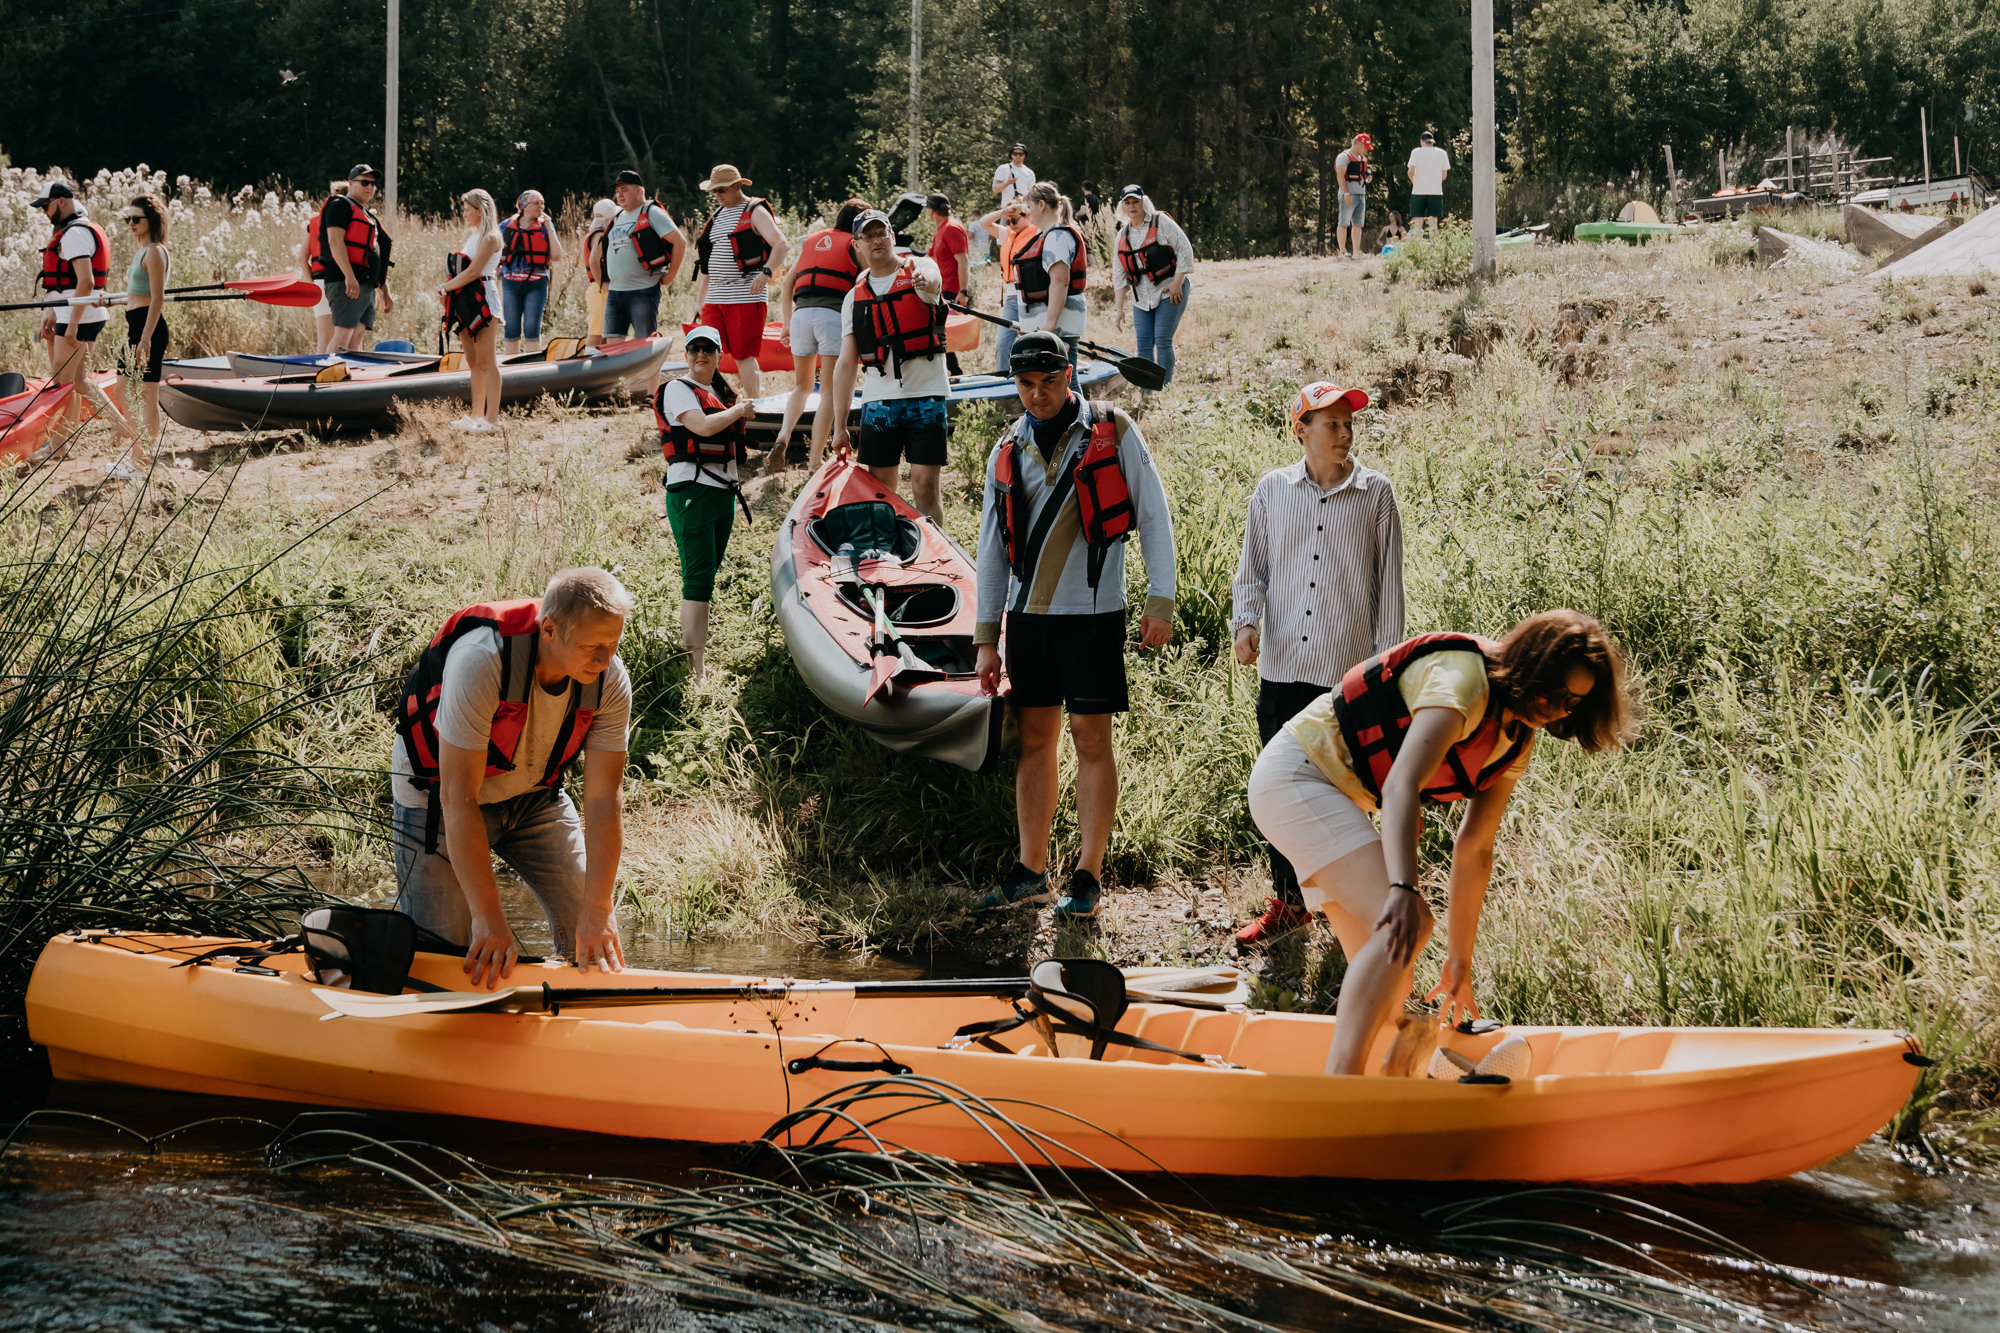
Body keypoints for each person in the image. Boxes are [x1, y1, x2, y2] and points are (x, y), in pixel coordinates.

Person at [1248, 610, 1637, 1074]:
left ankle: (1397, 1083)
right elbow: (1400, 786)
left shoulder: (1515, 740)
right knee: (1403, 926)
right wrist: (1404, 890)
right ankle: (1342, 1087)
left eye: (1572, 703)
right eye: (1554, 692)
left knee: (1394, 978)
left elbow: (1476, 848)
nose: (1557, 709)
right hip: (1298, 777)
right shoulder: (1463, 681)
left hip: (1335, 797)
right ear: (1531, 663)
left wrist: (1459, 960)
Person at [972, 331, 1177, 920]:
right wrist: (987, 637)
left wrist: (1159, 599)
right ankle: (1030, 871)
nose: (1038, 396)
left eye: (1049, 383)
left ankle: (1087, 874)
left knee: (1092, 740)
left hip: (1094, 617)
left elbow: (1154, 514)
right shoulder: (1006, 449)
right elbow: (990, 549)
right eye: (1026, 385)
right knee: (1035, 742)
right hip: (1028, 619)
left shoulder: (1112, 430)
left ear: (1071, 376)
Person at [392, 567, 636, 989]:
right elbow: (457, 798)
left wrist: (598, 907)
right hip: (440, 800)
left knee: (596, 932)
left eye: (612, 645)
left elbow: (602, 799)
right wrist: (488, 917)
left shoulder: (609, 679)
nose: (604, 659)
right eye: (592, 646)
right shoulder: (481, 661)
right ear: (549, 631)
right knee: (446, 961)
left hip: (533, 797)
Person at [1229, 382, 1404, 947]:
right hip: (1282, 663)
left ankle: (1347, 904)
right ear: (1300, 429)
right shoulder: (1272, 490)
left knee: (1347, 792)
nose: (1344, 434)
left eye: (1349, 423)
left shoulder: (1376, 494)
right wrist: (1246, 622)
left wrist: (1386, 671)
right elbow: (1252, 563)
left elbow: (1389, 590)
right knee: (1280, 789)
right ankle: (1289, 903)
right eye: (1331, 423)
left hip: (1346, 676)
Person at [827, 210, 951, 525]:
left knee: (924, 485)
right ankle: (886, 553)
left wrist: (927, 282)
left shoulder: (920, 268)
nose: (876, 241)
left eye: (881, 233)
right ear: (856, 245)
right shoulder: (854, 297)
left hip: (926, 396)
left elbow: (933, 282)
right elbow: (845, 364)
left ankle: (935, 555)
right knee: (881, 491)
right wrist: (839, 426)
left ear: (892, 236)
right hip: (879, 402)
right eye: (867, 236)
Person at [656, 325, 756, 679]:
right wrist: (739, 411)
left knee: (706, 579)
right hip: (693, 492)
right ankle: (695, 670)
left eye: (708, 349)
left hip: (722, 493)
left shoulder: (722, 395)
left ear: (718, 355)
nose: (701, 354)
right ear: (686, 354)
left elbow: (731, 430)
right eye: (694, 348)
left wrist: (741, 410)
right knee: (697, 580)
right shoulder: (677, 390)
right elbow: (701, 428)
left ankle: (695, 658)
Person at [31, 180, 136, 456]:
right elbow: (70, 284)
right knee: (78, 380)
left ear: (62, 202)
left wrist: (72, 322)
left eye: (46, 206)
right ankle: (122, 426)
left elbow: (86, 282)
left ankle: (57, 446)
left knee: (60, 381)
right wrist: (55, 309)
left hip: (79, 316)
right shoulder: (78, 229)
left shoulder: (75, 234)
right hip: (83, 313)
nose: (44, 212)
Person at [776, 198, 867, 471]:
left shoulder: (812, 240)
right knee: (828, 390)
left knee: (802, 386)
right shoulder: (855, 243)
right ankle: (815, 461)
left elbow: (786, 284)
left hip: (802, 315)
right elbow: (868, 278)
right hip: (833, 317)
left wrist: (786, 323)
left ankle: (783, 436)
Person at [692, 164, 789, 399]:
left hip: (745, 296)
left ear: (738, 186)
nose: (718, 196)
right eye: (714, 192)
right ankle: (714, 403)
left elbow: (781, 244)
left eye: (722, 190)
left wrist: (766, 272)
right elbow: (707, 265)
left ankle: (755, 406)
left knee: (743, 355)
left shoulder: (754, 210)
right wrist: (700, 300)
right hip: (715, 297)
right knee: (705, 351)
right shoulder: (716, 216)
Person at [604, 169, 685, 396]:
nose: (619, 195)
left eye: (625, 190)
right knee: (613, 347)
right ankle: (618, 393)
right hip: (615, 292)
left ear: (639, 191)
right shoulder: (618, 216)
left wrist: (671, 275)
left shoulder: (652, 212)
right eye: (617, 191)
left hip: (642, 290)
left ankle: (652, 394)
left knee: (646, 345)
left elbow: (680, 242)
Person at [111, 194, 172, 478]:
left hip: (148, 328)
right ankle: (138, 455)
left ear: (152, 221)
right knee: (122, 390)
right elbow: (138, 294)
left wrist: (145, 338)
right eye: (128, 219)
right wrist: (110, 300)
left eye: (137, 219)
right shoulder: (142, 250)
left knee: (147, 396)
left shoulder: (155, 252)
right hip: (135, 324)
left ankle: (140, 461)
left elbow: (158, 298)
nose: (131, 224)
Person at [1109, 185, 1194, 387]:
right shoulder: (1122, 235)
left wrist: (1177, 283)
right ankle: (1148, 390)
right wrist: (1119, 308)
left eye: (1135, 201)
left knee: (1162, 340)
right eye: (1127, 203)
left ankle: (1164, 387)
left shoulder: (1160, 221)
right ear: (1122, 207)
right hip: (1142, 298)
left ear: (1143, 202)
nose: (1132, 206)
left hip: (1169, 290)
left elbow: (1185, 250)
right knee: (1144, 345)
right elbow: (1119, 275)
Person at [311, 164, 395, 350]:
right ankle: (328, 376)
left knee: (356, 336)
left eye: (373, 184)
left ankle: (350, 376)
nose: (370, 187)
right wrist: (349, 276)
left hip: (365, 283)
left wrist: (384, 289)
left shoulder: (368, 216)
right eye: (364, 182)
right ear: (350, 183)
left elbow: (379, 250)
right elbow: (335, 242)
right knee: (343, 335)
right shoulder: (339, 206)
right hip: (345, 281)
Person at [439, 188, 502, 432]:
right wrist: (449, 290)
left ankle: (492, 419)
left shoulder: (491, 237)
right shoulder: (474, 235)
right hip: (465, 299)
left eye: (467, 209)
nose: (464, 214)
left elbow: (475, 271)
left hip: (483, 297)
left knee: (487, 361)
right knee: (473, 361)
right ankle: (476, 415)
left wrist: (446, 287)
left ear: (480, 210)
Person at [1014, 183, 1088, 365]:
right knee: (1053, 382)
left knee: (1064, 380)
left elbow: (1060, 281)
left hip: (1058, 326)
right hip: (1046, 325)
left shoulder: (1057, 237)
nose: (1027, 212)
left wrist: (1050, 324)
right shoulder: (1047, 235)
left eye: (1029, 206)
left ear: (1041, 205)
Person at [974, 200, 1036, 374]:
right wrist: (1004, 212)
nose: (1011, 225)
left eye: (1014, 220)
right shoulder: (1006, 234)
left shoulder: (1037, 232)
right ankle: (1004, 380)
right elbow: (983, 222)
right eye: (1008, 222)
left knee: (1031, 343)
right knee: (1002, 343)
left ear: (1027, 216)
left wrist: (1022, 207)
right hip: (1011, 297)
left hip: (1030, 296)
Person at [499, 190, 564, 354]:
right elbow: (494, 252)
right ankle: (511, 368)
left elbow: (556, 255)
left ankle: (533, 368)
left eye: (543, 203)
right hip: (510, 284)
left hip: (536, 284)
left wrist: (549, 228)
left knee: (531, 327)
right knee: (511, 328)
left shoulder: (545, 227)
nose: (541, 207)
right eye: (537, 203)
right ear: (525, 206)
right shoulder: (506, 226)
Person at [925, 193, 970, 376]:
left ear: (931, 211)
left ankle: (954, 372)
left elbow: (963, 260)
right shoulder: (940, 231)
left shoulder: (952, 228)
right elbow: (928, 258)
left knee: (941, 332)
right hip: (940, 290)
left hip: (951, 290)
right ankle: (952, 371)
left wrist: (963, 290)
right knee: (940, 332)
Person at [300, 182, 347, 353]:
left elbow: (302, 258)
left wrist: (312, 284)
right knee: (344, 339)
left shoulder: (314, 221)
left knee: (324, 338)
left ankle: (319, 375)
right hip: (341, 281)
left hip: (319, 282)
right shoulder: (348, 217)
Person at [580, 198, 617, 348]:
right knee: (595, 336)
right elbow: (594, 262)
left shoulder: (593, 232)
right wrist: (602, 283)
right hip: (599, 290)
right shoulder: (600, 234)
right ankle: (587, 368)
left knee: (603, 336)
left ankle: (602, 368)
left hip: (596, 289)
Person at [1333, 135, 1372, 261]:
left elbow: (1364, 174)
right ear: (1358, 144)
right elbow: (1340, 176)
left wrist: (1367, 178)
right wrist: (1346, 193)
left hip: (1361, 195)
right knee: (1343, 222)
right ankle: (1342, 251)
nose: (1366, 150)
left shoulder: (1362, 158)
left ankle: (1356, 252)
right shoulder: (1343, 157)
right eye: (1365, 147)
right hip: (1349, 195)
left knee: (1357, 225)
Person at [1406, 130, 1451, 237]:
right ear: (1432, 142)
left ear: (1421, 141)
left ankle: (1416, 250)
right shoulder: (1442, 153)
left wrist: (1414, 181)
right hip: (1435, 192)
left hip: (1418, 191)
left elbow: (1411, 171)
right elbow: (1444, 176)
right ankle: (1433, 250)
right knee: (1433, 224)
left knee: (1417, 223)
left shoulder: (1416, 152)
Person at [992, 143, 1035, 208]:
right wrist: (1007, 183)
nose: (1018, 156)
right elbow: (995, 189)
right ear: (1011, 155)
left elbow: (1032, 193)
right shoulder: (1003, 168)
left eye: (1020, 154)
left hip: (1024, 210)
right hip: (1007, 209)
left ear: (1024, 155)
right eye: (1015, 154)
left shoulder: (1029, 172)